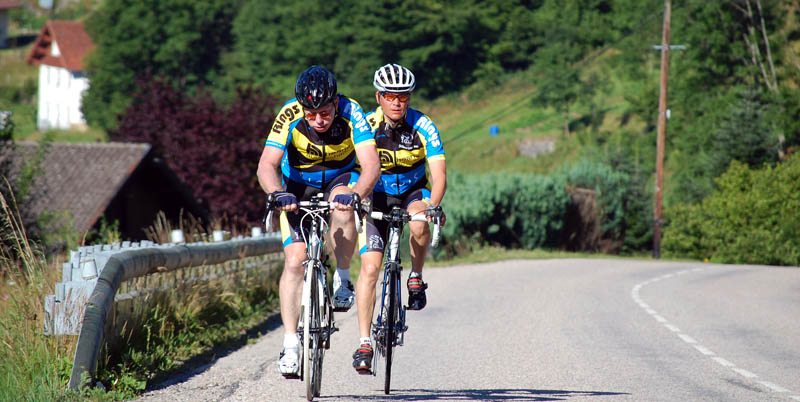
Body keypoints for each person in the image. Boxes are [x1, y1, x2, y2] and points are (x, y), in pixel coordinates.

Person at [257, 65, 380, 377]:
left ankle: (342, 278)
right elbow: (266, 165)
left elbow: (371, 165)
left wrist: (357, 195)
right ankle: (290, 345)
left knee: (344, 207)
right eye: (311, 115)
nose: (318, 120)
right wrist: (277, 193)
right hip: (297, 186)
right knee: (295, 261)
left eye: (324, 113)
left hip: (339, 179)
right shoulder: (289, 113)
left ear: (336, 103)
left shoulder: (352, 111)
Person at [351, 63, 446, 374]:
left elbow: (439, 175)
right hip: (376, 194)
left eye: (403, 97)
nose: (396, 102)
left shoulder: (423, 125)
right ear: (378, 97)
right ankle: (364, 343)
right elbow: (350, 167)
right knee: (370, 268)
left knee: (419, 222)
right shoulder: (366, 125)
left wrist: (433, 205)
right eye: (390, 96)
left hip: (412, 191)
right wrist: (358, 197)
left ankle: (416, 276)